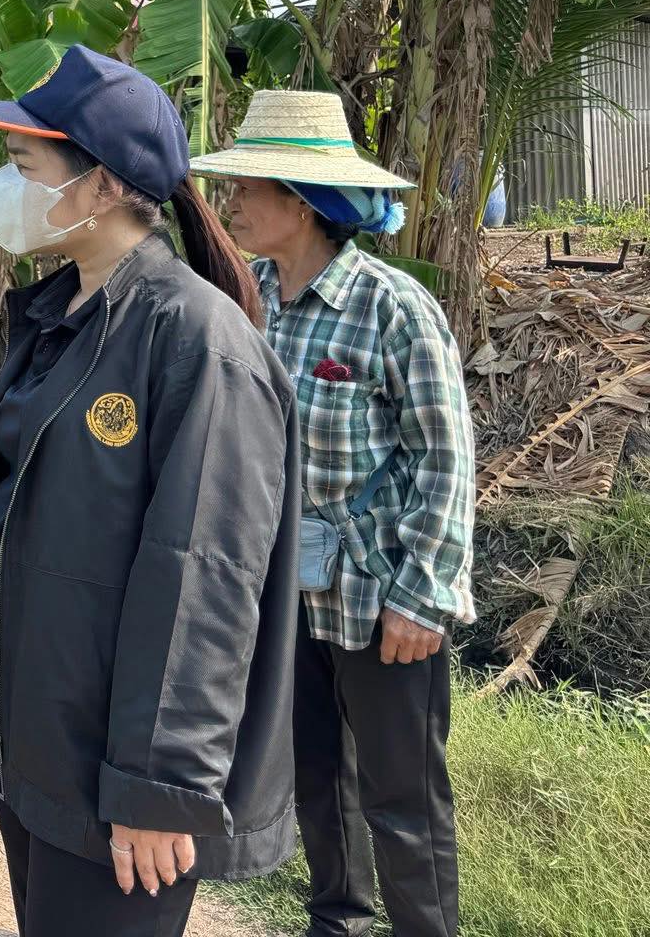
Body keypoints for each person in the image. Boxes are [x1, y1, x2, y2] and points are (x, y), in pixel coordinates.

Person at [0, 46, 301, 937]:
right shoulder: (60, 313)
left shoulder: (196, 341)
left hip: (120, 767)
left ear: (101, 188)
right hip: (44, 735)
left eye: (25, 166)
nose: (6, 187)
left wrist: (160, 784)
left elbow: (205, 572)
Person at [192, 90, 472, 937]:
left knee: (404, 797)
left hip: (382, 599)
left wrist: (422, 596)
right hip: (293, 599)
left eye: (249, 188)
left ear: (302, 201)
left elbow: (445, 458)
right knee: (316, 774)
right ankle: (337, 920)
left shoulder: (392, 309)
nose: (232, 203)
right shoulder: (257, 304)